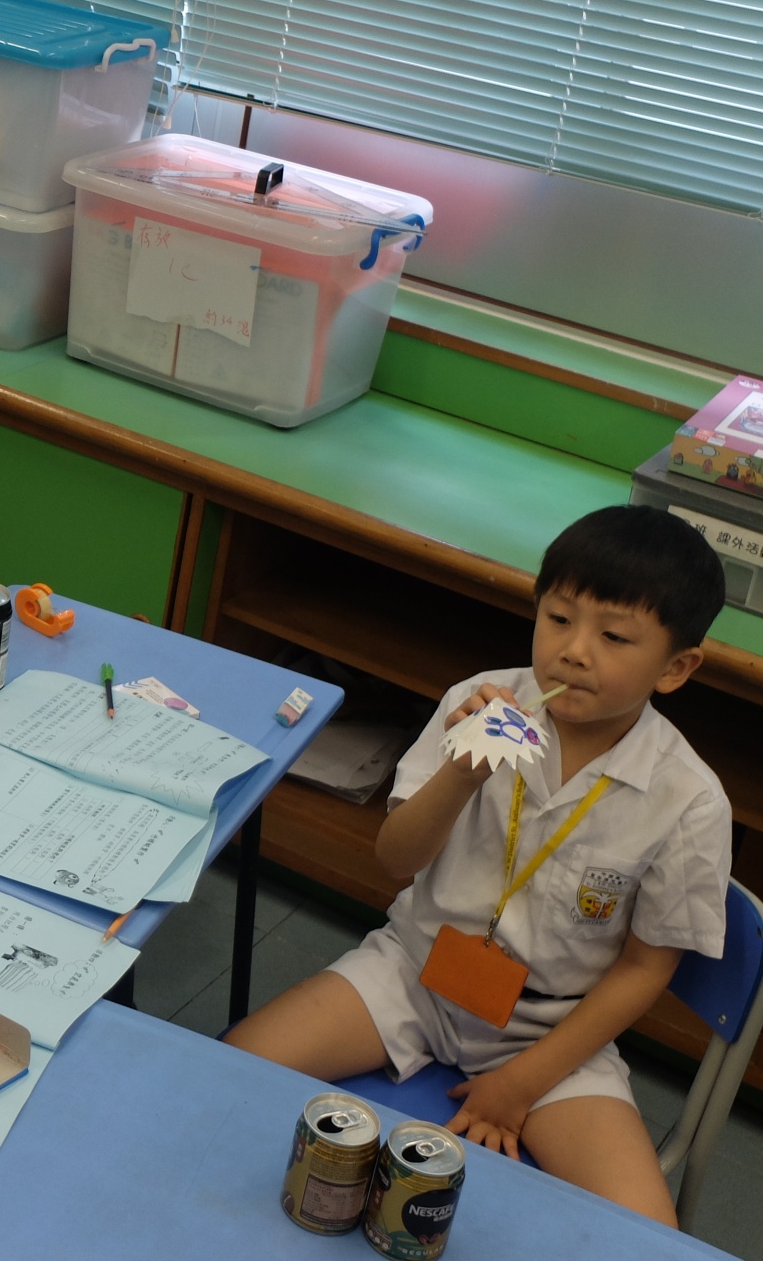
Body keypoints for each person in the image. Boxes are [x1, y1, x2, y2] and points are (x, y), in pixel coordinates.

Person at [226, 505, 731, 1225]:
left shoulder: (689, 798)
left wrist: (521, 1083)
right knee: (229, 1067)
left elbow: (646, 969)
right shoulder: (478, 702)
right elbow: (394, 859)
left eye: (614, 636)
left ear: (676, 667)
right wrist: (461, 772)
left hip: (552, 1030)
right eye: (558, 618)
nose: (574, 651)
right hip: (414, 972)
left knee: (648, 1231)